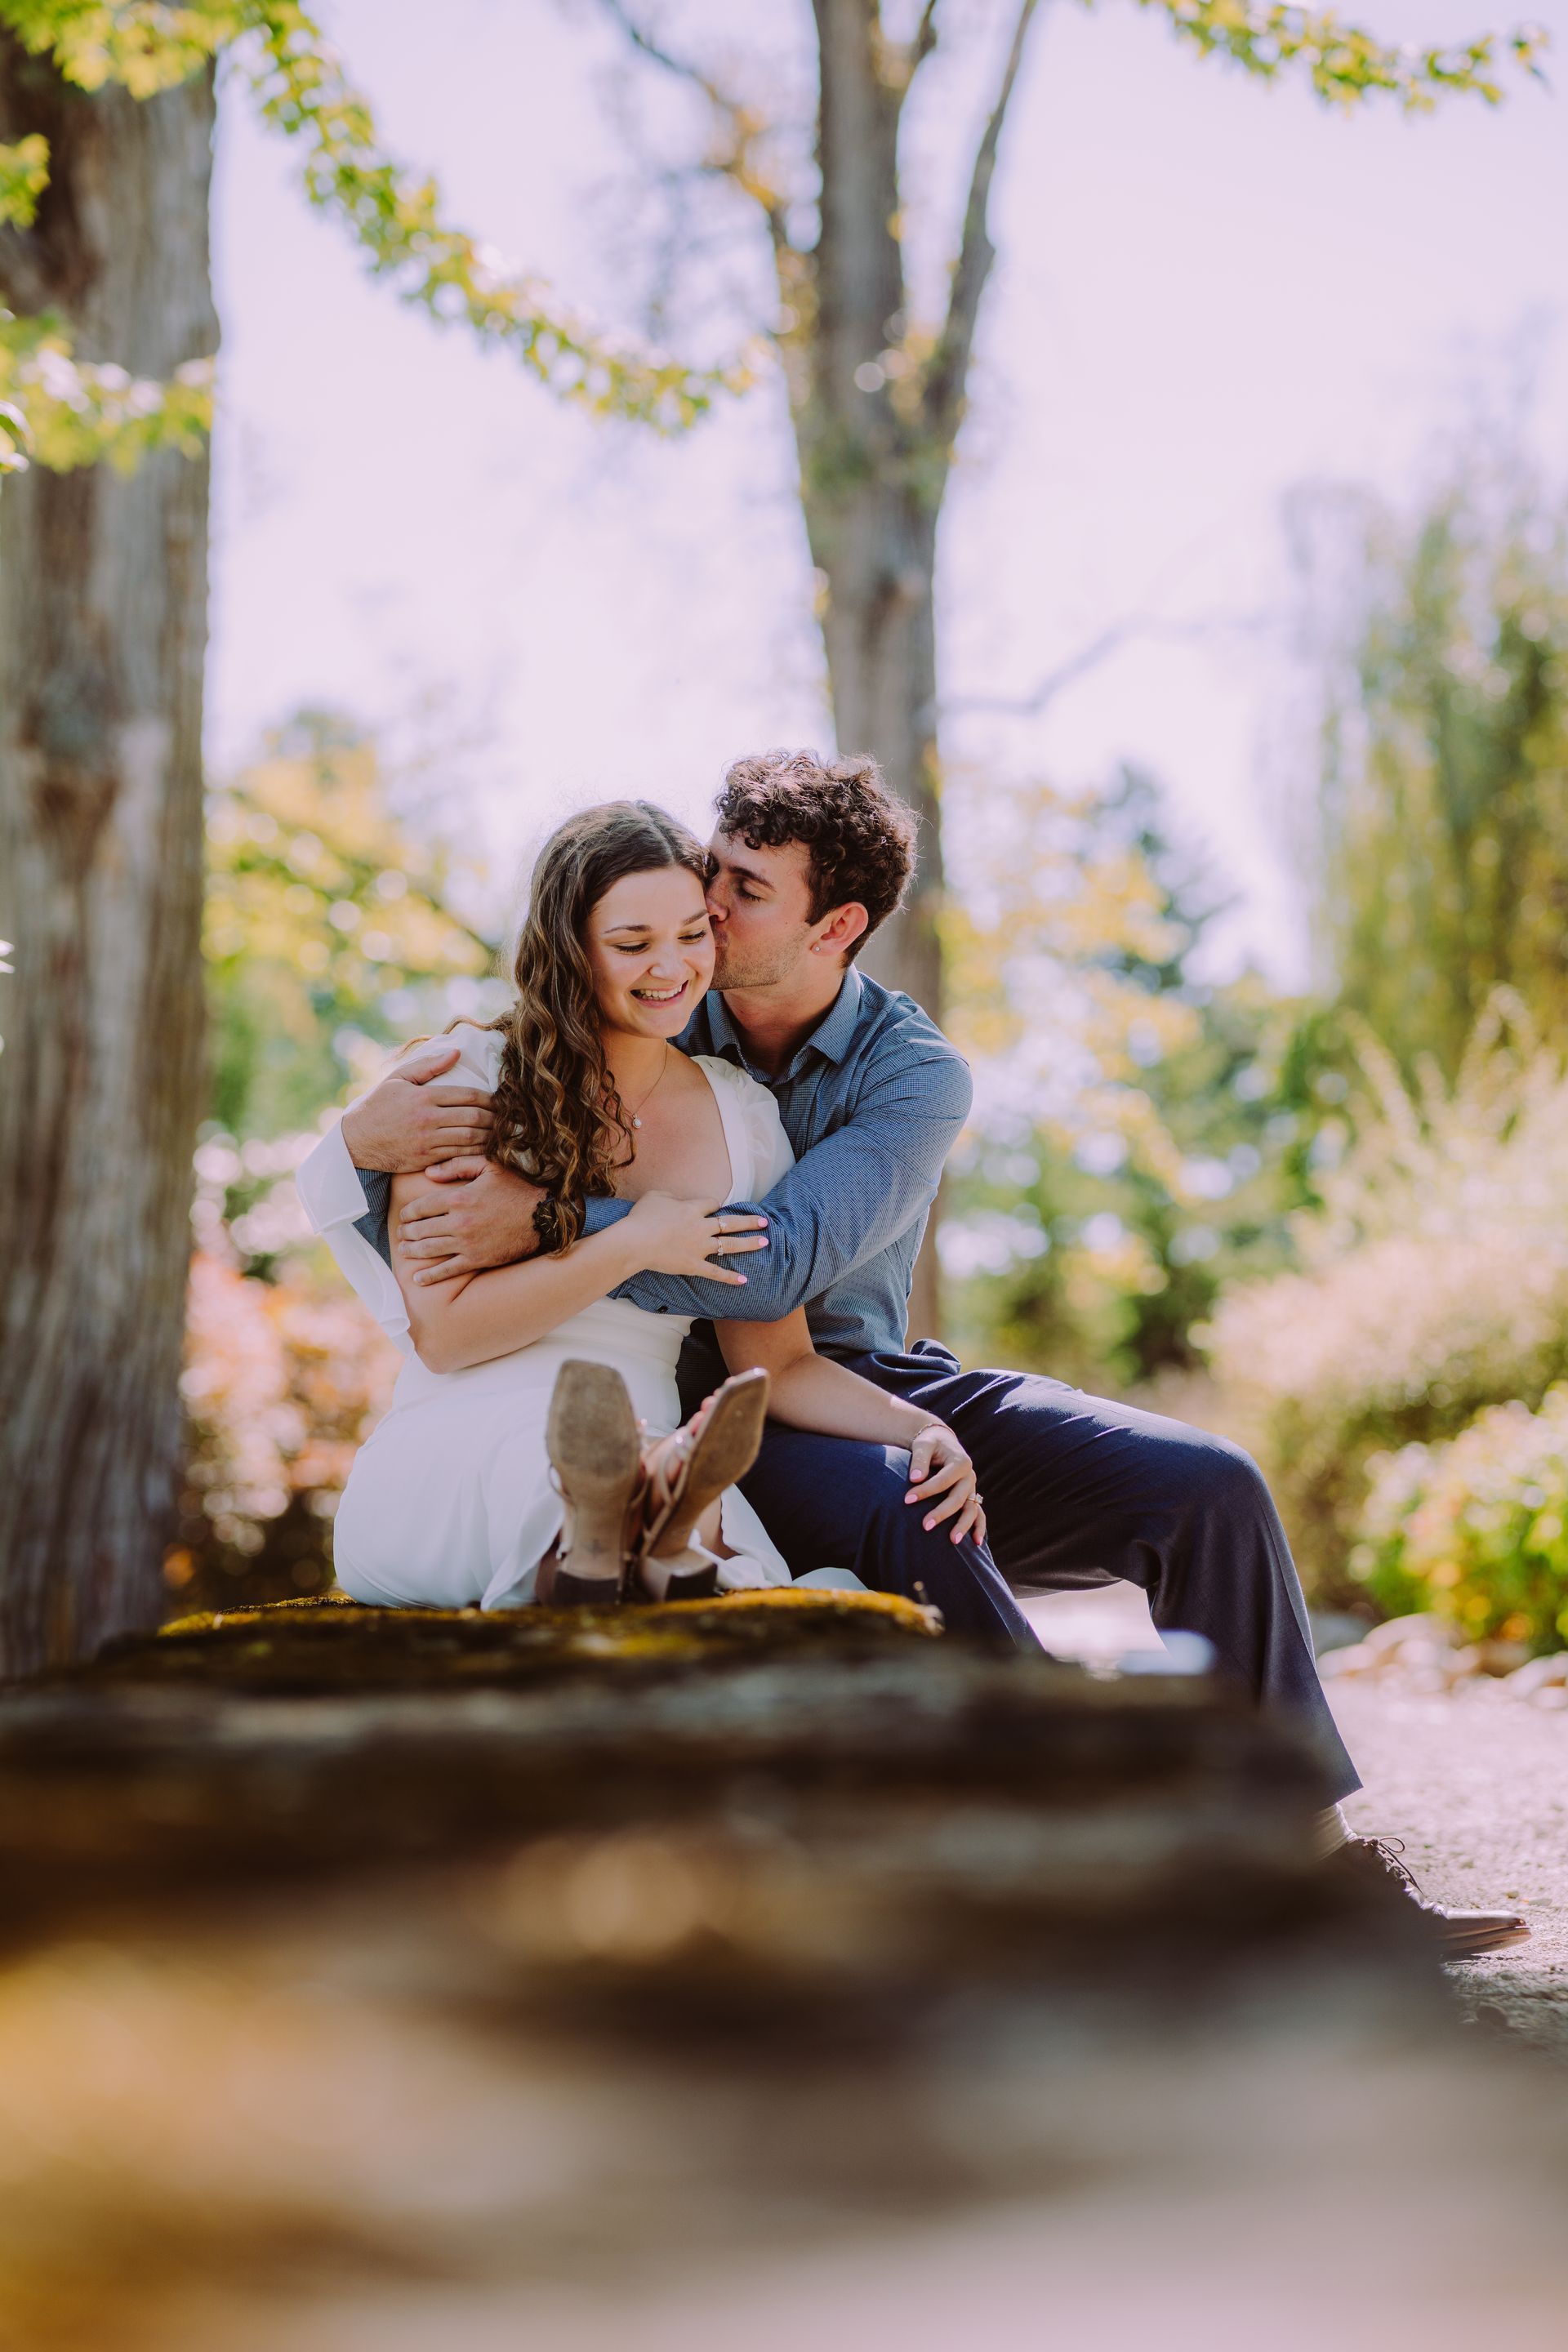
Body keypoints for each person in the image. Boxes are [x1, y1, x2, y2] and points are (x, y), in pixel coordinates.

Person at [324, 749, 1527, 1957]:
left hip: (836, 1371)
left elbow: (776, 1268)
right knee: (904, 1500)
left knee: (1211, 1485)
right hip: (693, 1399)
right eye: (708, 875)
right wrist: (363, 1137)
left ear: (835, 924)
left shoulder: (911, 1074)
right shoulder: (653, 1000)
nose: (705, 905)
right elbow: (433, 1182)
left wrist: (550, 1221)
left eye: (739, 891)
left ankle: (1305, 1862)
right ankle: (1074, 1825)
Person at [299, 800, 1020, 1633]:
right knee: (565, 1470)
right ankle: (629, 1530)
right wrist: (635, 1238)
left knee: (667, 1500)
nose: (671, 967)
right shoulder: (462, 1080)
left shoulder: (743, 1117)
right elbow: (448, 1334)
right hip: (465, 1432)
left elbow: (777, 1366)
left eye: (692, 933)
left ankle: (638, 1530)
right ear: (571, 951)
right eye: (633, 945)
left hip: (646, 1419)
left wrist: (923, 1425)